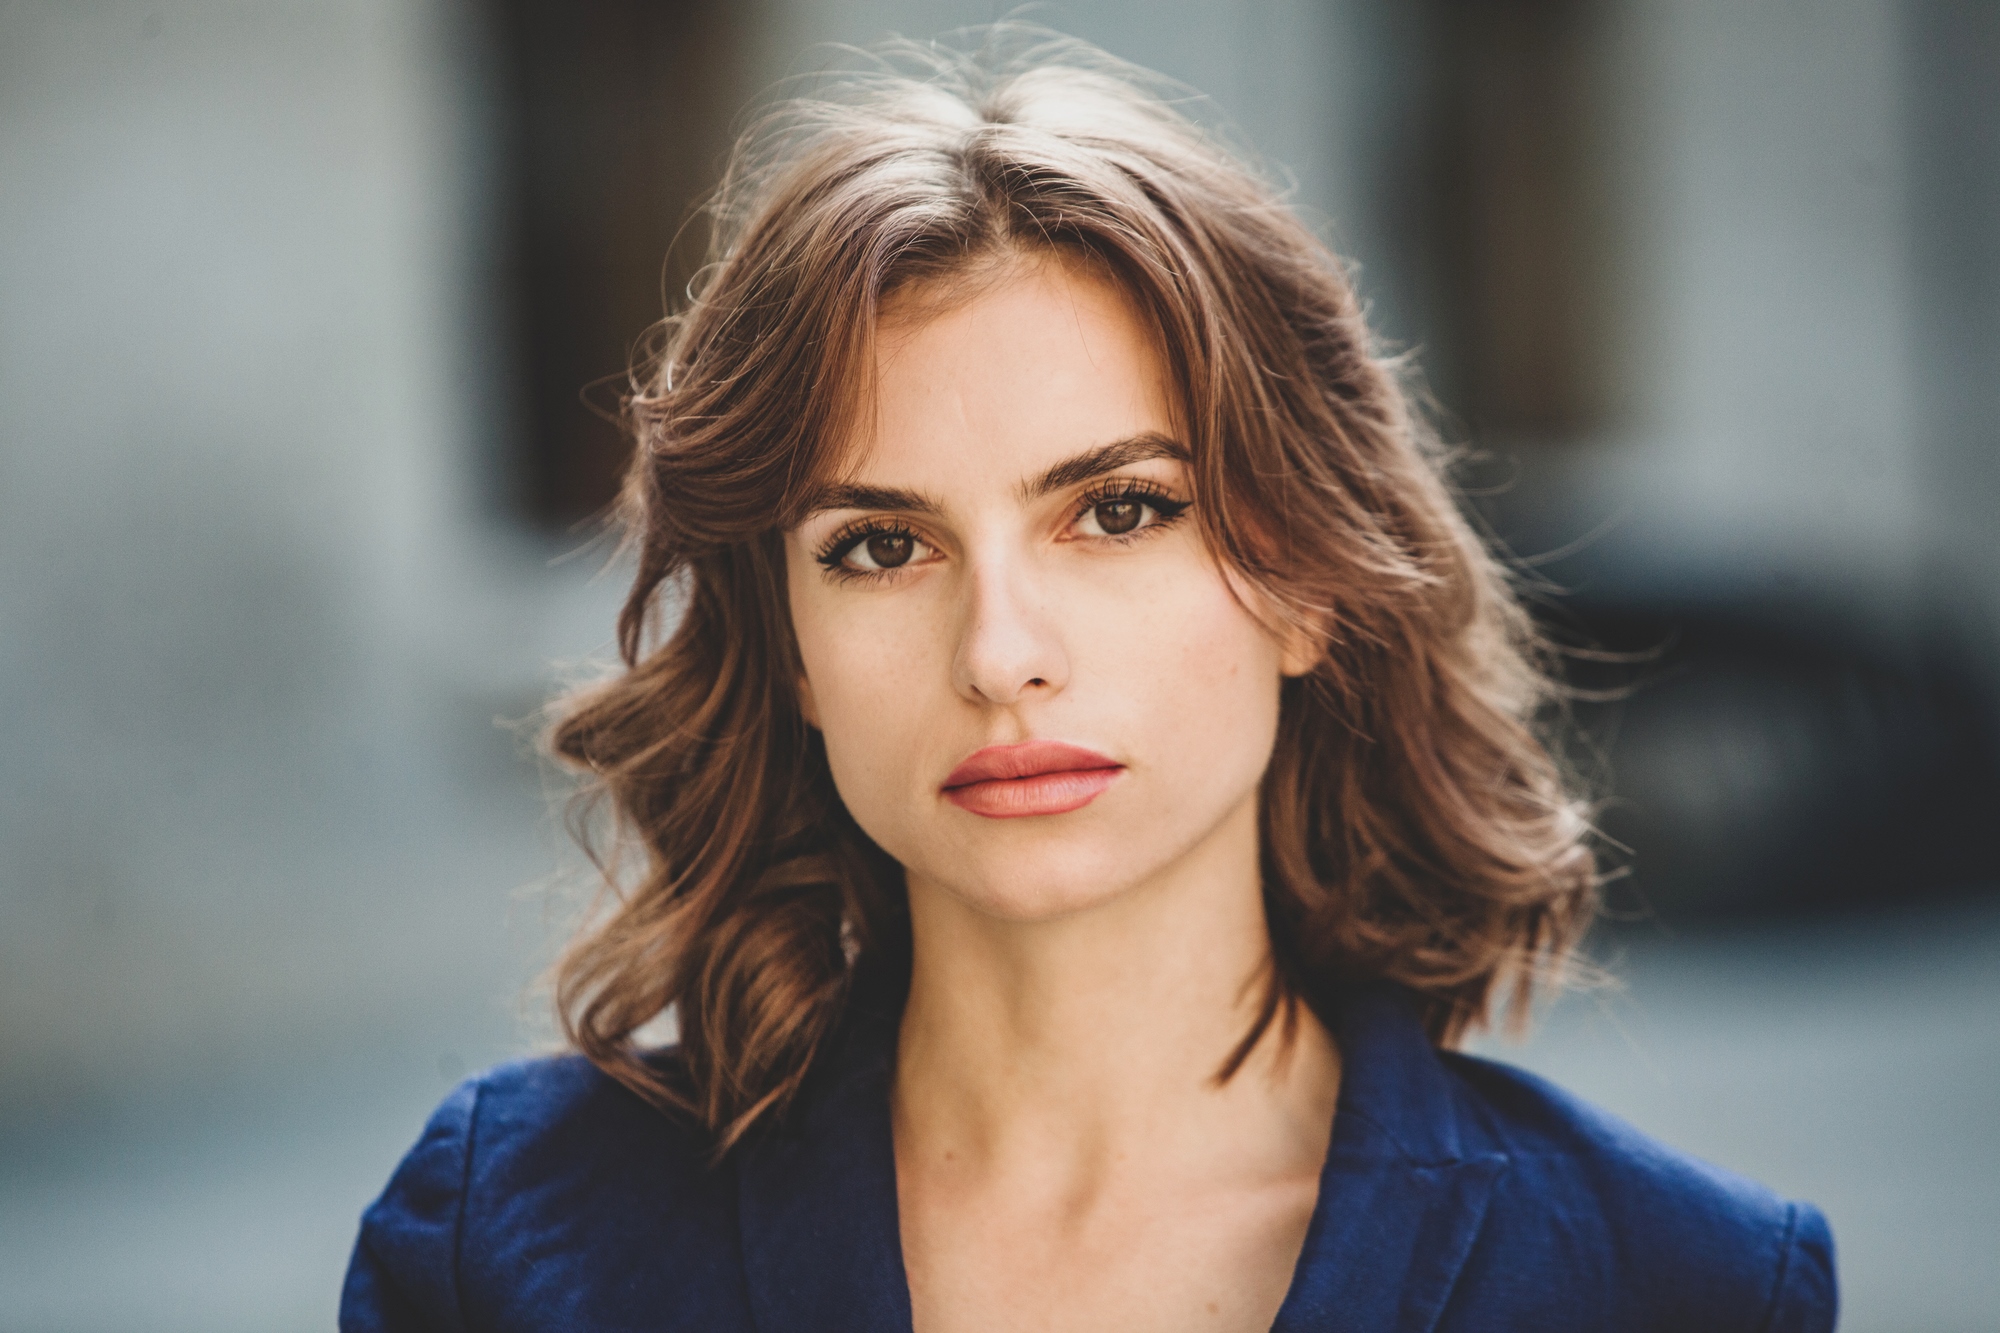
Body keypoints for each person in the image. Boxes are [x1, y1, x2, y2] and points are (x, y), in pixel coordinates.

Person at [341, 30, 1835, 1333]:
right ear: (789, 649)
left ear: (1307, 582)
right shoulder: (510, 1244)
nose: (1001, 655)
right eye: (878, 545)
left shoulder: (1678, 1285)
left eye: (1119, 510)